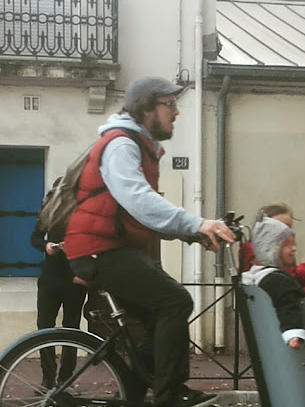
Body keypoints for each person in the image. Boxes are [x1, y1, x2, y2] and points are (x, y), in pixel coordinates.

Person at [63, 76, 235, 407]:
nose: (177, 113)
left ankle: (133, 391)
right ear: (146, 109)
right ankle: (171, 394)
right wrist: (195, 222)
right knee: (175, 301)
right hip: (99, 250)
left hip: (110, 248)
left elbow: (142, 215)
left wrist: (195, 234)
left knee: (157, 318)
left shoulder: (138, 145)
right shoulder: (121, 144)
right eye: (169, 105)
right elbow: (139, 201)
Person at [30, 184, 87, 391]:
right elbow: (35, 237)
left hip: (74, 279)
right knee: (44, 327)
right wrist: (47, 246)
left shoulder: (82, 213)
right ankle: (48, 378)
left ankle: (66, 379)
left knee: (71, 328)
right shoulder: (49, 214)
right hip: (50, 278)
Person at [239, 202, 305, 303]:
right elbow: (287, 288)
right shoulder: (256, 254)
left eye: (289, 227)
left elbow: (294, 277)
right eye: (279, 226)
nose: (286, 232)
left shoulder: (277, 255)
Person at [242, 216, 305, 349]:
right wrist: (293, 331)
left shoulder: (256, 276)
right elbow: (287, 304)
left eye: (294, 243)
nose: (293, 248)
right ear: (270, 248)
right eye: (287, 244)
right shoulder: (277, 280)